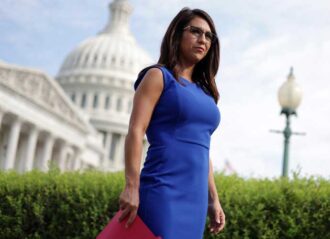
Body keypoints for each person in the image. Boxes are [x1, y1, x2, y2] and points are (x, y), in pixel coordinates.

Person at [118, 7, 225, 239]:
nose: (202, 39)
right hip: (163, 189)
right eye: (195, 31)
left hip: (195, 200)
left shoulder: (206, 94)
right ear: (177, 34)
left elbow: (202, 149)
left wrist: (213, 199)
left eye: (208, 36)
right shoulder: (158, 76)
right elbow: (136, 131)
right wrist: (131, 186)